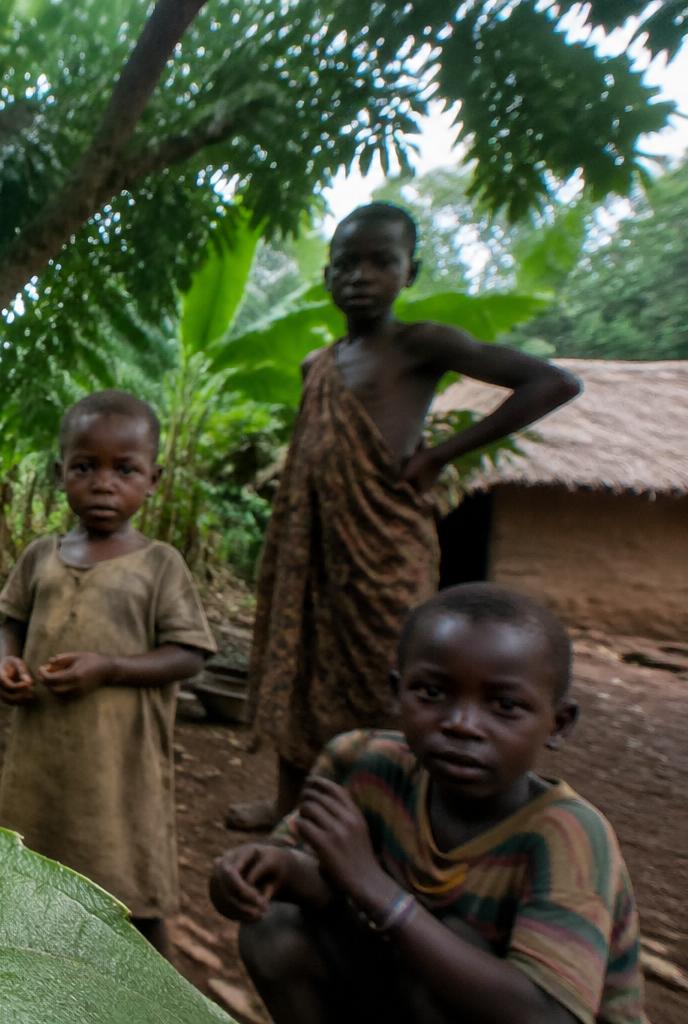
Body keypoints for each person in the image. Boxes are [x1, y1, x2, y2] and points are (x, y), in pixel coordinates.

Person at [225, 201, 582, 832]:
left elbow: (551, 383)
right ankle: (289, 805)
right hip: (315, 549)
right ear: (327, 276)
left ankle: (396, 819)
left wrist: (441, 454)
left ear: (408, 272)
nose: (360, 276)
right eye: (345, 264)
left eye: (379, 262)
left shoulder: (421, 344)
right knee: (303, 665)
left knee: (396, 674)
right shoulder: (317, 365)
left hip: (385, 545)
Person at [209, 583, 645, 1024]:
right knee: (277, 927)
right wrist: (262, 872)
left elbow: (548, 1017)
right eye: (432, 693)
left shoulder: (568, 834)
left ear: (559, 724)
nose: (462, 724)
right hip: (407, 990)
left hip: (511, 1010)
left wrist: (377, 889)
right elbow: (313, 882)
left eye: (505, 705)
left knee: (448, 943)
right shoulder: (363, 764)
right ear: (397, 692)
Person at [0, 390, 216, 960]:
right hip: (42, 754)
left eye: (125, 470)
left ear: (153, 479)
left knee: (129, 885)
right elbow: (9, 623)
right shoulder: (41, 555)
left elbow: (189, 654)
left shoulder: (160, 564)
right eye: (85, 467)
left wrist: (110, 667)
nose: (103, 484)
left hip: (119, 764)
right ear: (59, 473)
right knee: (31, 862)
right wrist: (7, 661)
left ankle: (158, 991)